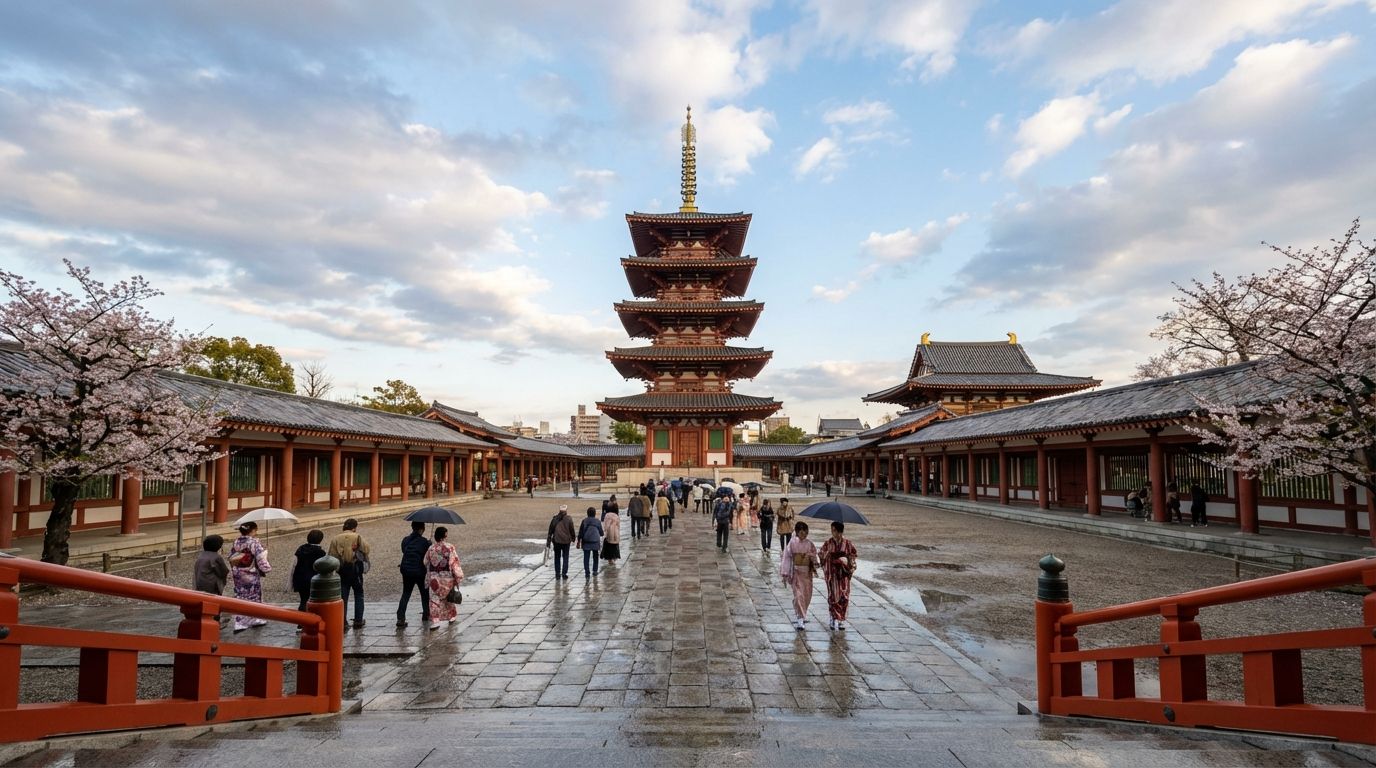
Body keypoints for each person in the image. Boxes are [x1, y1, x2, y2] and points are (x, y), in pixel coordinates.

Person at [228, 522, 271, 633]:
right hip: (250, 573)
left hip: (238, 572)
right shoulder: (254, 542)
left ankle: (240, 622)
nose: (256, 533)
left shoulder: (236, 541)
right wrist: (265, 555)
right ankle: (255, 619)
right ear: (252, 531)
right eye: (255, 530)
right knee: (254, 596)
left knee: (240, 595)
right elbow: (260, 557)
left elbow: (232, 556)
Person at [327, 518, 370, 629]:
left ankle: (343, 621)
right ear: (354, 527)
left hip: (342, 569)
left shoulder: (335, 539)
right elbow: (366, 549)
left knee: (343, 597)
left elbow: (331, 555)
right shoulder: (357, 536)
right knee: (359, 594)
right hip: (355, 569)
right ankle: (358, 620)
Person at [779, 521, 820, 630]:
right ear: (797, 532)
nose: (803, 534)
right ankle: (800, 619)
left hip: (806, 574)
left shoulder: (810, 544)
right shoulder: (792, 543)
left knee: (806, 595)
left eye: (805, 532)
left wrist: (813, 560)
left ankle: (802, 613)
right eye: (801, 531)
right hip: (796, 573)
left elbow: (814, 556)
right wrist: (785, 572)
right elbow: (786, 557)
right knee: (798, 596)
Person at [819, 521, 858, 631]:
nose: (832, 532)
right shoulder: (828, 543)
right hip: (832, 574)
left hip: (843, 574)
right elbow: (821, 554)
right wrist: (828, 556)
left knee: (844, 596)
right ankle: (833, 617)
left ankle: (841, 619)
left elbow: (853, 555)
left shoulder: (848, 543)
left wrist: (847, 560)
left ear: (839, 531)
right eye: (832, 530)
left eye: (834, 530)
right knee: (833, 596)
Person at [424, 526, 464, 630]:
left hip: (434, 578)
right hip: (447, 577)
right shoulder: (449, 547)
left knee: (433, 600)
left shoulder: (431, 548)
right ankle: (452, 615)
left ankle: (435, 621)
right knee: (448, 598)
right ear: (445, 535)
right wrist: (458, 576)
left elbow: (425, 561)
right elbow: (454, 562)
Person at [396, 521, 431, 628]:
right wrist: (429, 544)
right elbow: (427, 557)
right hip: (420, 571)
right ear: (422, 529)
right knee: (424, 593)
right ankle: (426, 614)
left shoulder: (405, 540)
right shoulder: (424, 542)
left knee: (406, 593)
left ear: (412, 528)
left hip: (406, 570)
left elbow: (404, 551)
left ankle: (400, 618)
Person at [291, 529, 326, 613]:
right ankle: (310, 621)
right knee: (314, 601)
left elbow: (294, 565)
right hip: (314, 581)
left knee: (303, 600)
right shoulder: (320, 553)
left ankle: (301, 621)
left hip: (300, 579)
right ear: (320, 540)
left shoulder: (300, 550)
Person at [193, 534, 229, 598]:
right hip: (211, 586)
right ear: (218, 546)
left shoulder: (201, 555)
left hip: (198, 584)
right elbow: (223, 571)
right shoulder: (216, 557)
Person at [546, 504, 576, 580]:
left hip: (557, 541)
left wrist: (549, 541)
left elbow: (550, 531)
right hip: (566, 541)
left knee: (557, 557)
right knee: (565, 557)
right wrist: (573, 538)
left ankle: (557, 574)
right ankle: (564, 573)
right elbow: (572, 529)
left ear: (559, 511)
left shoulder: (555, 519)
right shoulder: (569, 519)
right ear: (566, 511)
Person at [577, 507, 604, 578]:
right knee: (595, 556)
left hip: (586, 541)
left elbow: (581, 532)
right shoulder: (597, 521)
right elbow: (601, 533)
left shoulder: (584, 521)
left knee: (586, 557)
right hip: (595, 541)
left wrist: (578, 541)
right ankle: (595, 570)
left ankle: (587, 572)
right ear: (595, 513)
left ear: (587, 513)